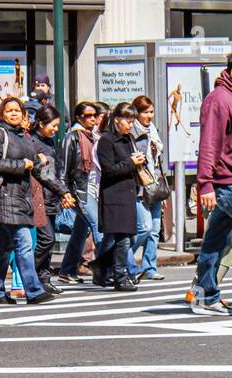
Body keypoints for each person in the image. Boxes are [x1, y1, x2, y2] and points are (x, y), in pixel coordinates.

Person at [0, 97, 58, 305]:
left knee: (4, 248)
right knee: (24, 243)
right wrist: (20, 165)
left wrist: (61, 190)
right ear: (2, 114)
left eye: (17, 111)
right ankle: (33, 290)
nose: (14, 114)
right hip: (5, 197)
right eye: (9, 111)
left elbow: (36, 169)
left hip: (21, 197)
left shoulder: (23, 136)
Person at [192, 51, 232, 315]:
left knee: (214, 242)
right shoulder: (218, 100)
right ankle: (205, 295)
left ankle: (205, 296)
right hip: (229, 181)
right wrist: (204, 184)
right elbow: (209, 144)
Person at [94, 102, 144, 292]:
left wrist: (138, 160)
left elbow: (129, 163)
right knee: (122, 238)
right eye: (127, 121)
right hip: (113, 194)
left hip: (128, 192)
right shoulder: (106, 140)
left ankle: (102, 267)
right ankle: (120, 275)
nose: (130, 125)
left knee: (128, 237)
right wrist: (131, 162)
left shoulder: (128, 138)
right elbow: (108, 170)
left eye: (132, 121)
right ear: (116, 120)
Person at [57, 102, 103, 283]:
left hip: (94, 188)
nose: (92, 118)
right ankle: (108, 269)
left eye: (94, 115)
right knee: (98, 227)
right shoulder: (72, 138)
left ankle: (67, 270)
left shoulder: (94, 137)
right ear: (78, 118)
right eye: (87, 116)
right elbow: (63, 169)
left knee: (80, 230)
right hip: (80, 190)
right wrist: (64, 193)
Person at [30, 104, 73, 295]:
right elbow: (44, 174)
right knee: (47, 239)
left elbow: (54, 172)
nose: (56, 129)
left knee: (48, 239)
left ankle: (44, 278)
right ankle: (31, 275)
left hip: (50, 197)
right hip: (38, 198)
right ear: (40, 123)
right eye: (53, 125)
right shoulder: (32, 142)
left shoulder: (49, 141)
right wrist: (63, 191)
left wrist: (60, 193)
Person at [131, 95, 166, 282]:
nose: (149, 116)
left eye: (151, 112)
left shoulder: (152, 129)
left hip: (155, 182)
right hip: (140, 184)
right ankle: (124, 259)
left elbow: (158, 159)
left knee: (154, 229)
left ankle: (149, 267)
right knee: (144, 227)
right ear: (136, 113)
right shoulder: (132, 131)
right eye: (145, 112)